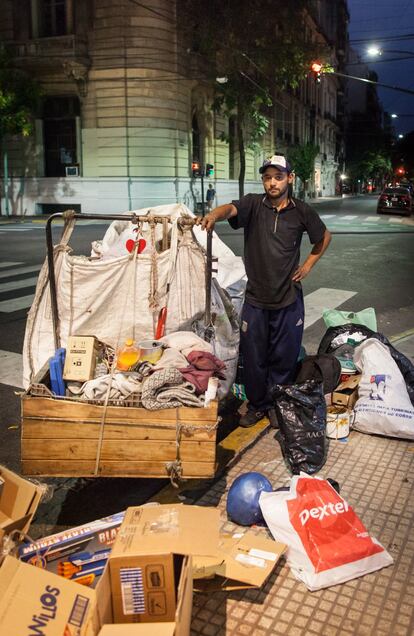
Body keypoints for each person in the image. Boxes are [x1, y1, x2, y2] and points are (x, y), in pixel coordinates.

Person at [198, 154, 331, 427]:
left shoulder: (302, 211)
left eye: (278, 177)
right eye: (268, 177)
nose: (272, 183)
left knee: (283, 357)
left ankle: (277, 404)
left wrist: (308, 265)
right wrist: (214, 215)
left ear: (289, 179)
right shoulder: (253, 205)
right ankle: (258, 405)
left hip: (288, 299)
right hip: (257, 299)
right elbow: (230, 209)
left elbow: (324, 237)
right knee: (255, 358)